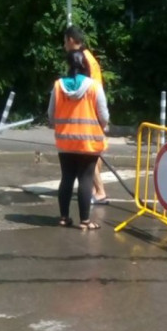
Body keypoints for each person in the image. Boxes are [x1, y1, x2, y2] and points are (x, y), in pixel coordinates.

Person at [48, 50, 110, 230]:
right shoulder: (94, 87)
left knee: (67, 177)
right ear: (85, 66)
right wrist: (103, 126)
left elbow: (51, 115)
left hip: (65, 142)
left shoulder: (58, 86)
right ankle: (85, 221)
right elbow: (104, 116)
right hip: (88, 143)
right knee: (85, 179)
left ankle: (63, 217)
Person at [63, 25, 109, 205]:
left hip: (90, 116)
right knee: (93, 155)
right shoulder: (88, 57)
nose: (64, 45)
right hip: (95, 113)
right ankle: (92, 190)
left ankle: (100, 191)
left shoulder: (83, 60)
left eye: (65, 41)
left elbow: (85, 88)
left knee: (87, 155)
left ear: (72, 40)